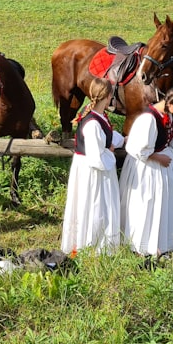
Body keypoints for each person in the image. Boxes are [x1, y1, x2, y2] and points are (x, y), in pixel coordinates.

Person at [119, 85, 173, 261]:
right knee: (146, 204)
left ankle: (161, 243)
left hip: (163, 169)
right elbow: (137, 149)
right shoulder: (148, 119)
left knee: (163, 205)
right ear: (169, 102)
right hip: (146, 169)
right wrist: (158, 158)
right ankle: (141, 245)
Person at [60, 77, 124, 254]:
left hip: (94, 167)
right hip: (93, 171)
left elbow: (108, 136)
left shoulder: (98, 116)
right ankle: (93, 244)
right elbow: (96, 157)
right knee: (95, 205)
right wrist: (110, 151)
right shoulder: (93, 123)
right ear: (109, 96)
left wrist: (119, 141)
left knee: (99, 204)